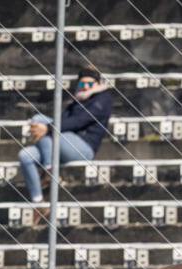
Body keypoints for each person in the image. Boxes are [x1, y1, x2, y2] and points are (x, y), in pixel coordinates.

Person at [17, 66, 112, 215]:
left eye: (90, 83)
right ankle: (38, 203)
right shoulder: (75, 103)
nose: (85, 86)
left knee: (40, 120)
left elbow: (79, 121)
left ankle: (49, 170)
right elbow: (60, 122)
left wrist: (48, 128)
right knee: (25, 156)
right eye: (81, 84)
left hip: (83, 148)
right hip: (63, 145)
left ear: (97, 84)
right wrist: (48, 129)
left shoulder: (103, 100)